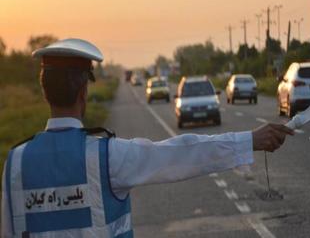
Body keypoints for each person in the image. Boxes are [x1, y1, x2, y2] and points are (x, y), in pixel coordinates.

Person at [1, 38, 293, 238]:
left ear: (44, 93)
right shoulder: (105, 156)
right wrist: (249, 140)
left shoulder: (14, 163)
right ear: (83, 93)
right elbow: (181, 153)